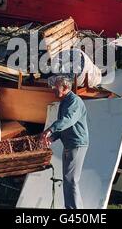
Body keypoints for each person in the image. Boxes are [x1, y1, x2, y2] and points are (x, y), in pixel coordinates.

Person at [41, 75, 89, 209]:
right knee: (68, 180)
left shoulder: (74, 101)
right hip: (70, 144)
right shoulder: (64, 102)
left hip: (76, 144)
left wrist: (50, 131)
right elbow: (64, 127)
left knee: (71, 180)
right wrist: (52, 137)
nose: (53, 90)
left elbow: (67, 120)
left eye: (56, 87)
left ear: (66, 87)